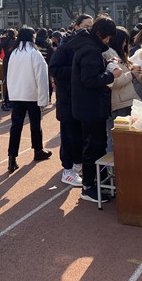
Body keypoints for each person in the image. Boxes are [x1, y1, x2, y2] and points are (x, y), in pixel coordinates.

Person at [70, 15, 122, 204]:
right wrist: (111, 75)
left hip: (90, 106)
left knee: (97, 145)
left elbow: (91, 74)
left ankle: (97, 182)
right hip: (90, 107)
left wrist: (107, 66)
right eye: (107, 37)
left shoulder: (89, 47)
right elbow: (89, 80)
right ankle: (88, 185)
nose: (108, 41)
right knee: (93, 146)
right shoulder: (90, 50)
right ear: (100, 33)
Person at [49, 14, 93, 187]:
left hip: (81, 99)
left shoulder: (88, 45)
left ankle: (77, 165)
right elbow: (54, 68)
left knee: (79, 135)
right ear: (76, 27)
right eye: (86, 26)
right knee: (69, 135)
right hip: (67, 99)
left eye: (91, 27)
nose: (89, 30)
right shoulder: (66, 46)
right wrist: (76, 71)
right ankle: (67, 170)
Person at [6, 27, 51, 173]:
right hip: (31, 95)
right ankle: (38, 150)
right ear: (32, 37)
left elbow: (9, 75)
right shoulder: (34, 53)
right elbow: (41, 77)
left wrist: (11, 93)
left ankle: (12, 157)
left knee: (16, 126)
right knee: (35, 124)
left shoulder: (14, 53)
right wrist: (44, 99)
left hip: (17, 95)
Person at [102, 26, 142, 152]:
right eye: (124, 41)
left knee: (121, 138)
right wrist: (131, 74)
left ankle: (118, 163)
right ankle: (113, 164)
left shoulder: (117, 54)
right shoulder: (110, 55)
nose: (125, 44)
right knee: (116, 138)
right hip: (118, 102)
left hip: (124, 100)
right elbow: (114, 82)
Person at [0, 29, 18, 111]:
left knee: (9, 80)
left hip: (7, 60)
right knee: (11, 81)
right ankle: (7, 101)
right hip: (11, 61)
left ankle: (8, 101)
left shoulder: (5, 40)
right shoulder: (14, 41)